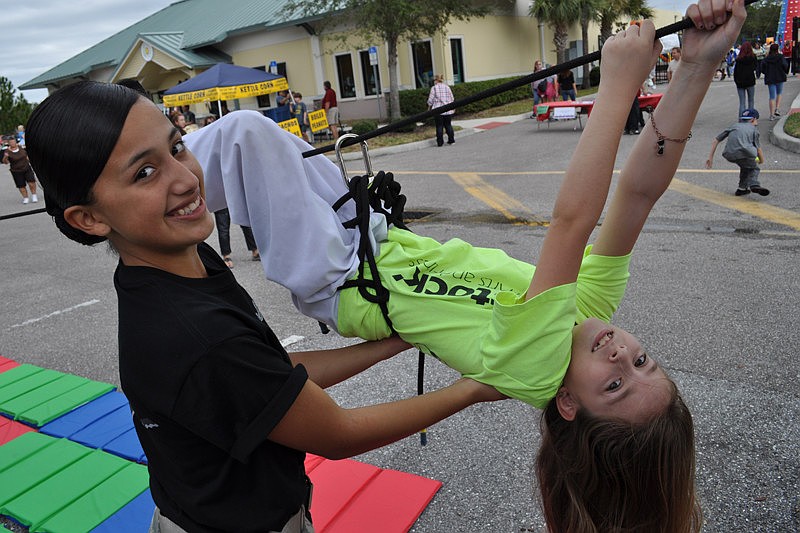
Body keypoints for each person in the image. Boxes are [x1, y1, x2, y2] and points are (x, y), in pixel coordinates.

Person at [184, 3, 742, 529]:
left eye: (616, 385)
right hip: (371, 241)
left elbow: (572, 223)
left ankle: (132, 179)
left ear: (568, 404)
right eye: (644, 360)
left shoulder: (538, 365)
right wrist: (697, 65)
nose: (623, 353)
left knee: (245, 137)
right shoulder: (587, 310)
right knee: (262, 145)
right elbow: (639, 194)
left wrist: (619, 85)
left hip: (340, 275)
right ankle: (151, 172)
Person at [25, 81, 505, 533]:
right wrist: (470, 390)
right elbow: (339, 434)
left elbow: (273, 374)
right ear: (88, 218)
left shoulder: (179, 263)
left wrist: (399, 337)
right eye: (144, 172)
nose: (186, 179)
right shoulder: (194, 336)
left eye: (176, 148)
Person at [706, 108, 769, 197]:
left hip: (729, 154)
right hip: (746, 153)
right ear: (753, 119)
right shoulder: (754, 130)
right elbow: (758, 149)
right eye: (756, 120)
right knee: (754, 168)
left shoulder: (734, 126)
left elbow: (716, 140)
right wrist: (761, 160)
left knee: (745, 165)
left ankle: (741, 189)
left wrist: (710, 158)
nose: (757, 123)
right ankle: (754, 184)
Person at [2, 135, 38, 204]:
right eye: (11, 142)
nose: (13, 143)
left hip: (26, 168)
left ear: (15, 141)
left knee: (31, 182)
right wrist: (5, 157)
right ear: (9, 143)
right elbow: (5, 162)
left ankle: (34, 195)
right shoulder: (7, 151)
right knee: (21, 185)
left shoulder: (21, 147)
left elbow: (26, 156)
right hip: (16, 171)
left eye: (13, 141)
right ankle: (25, 197)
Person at [761, 42, 789, 120]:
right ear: (777, 49)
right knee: (779, 93)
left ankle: (771, 114)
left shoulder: (766, 59)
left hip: (770, 78)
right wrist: (784, 72)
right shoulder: (781, 57)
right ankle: (777, 108)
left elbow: (762, 68)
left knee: (771, 96)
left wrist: (766, 72)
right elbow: (785, 65)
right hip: (780, 77)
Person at [427, 74, 455, 147]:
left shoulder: (434, 88)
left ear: (436, 80)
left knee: (439, 126)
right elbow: (452, 98)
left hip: (438, 109)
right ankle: (451, 140)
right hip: (447, 109)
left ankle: (440, 143)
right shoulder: (447, 87)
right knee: (448, 125)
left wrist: (429, 106)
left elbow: (430, 100)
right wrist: (453, 107)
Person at [733, 41, 757, 118]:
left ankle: (741, 118)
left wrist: (737, 81)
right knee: (751, 100)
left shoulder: (738, 59)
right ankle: (751, 118)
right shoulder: (753, 58)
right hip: (750, 81)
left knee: (742, 102)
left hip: (740, 82)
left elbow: (736, 72)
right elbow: (754, 67)